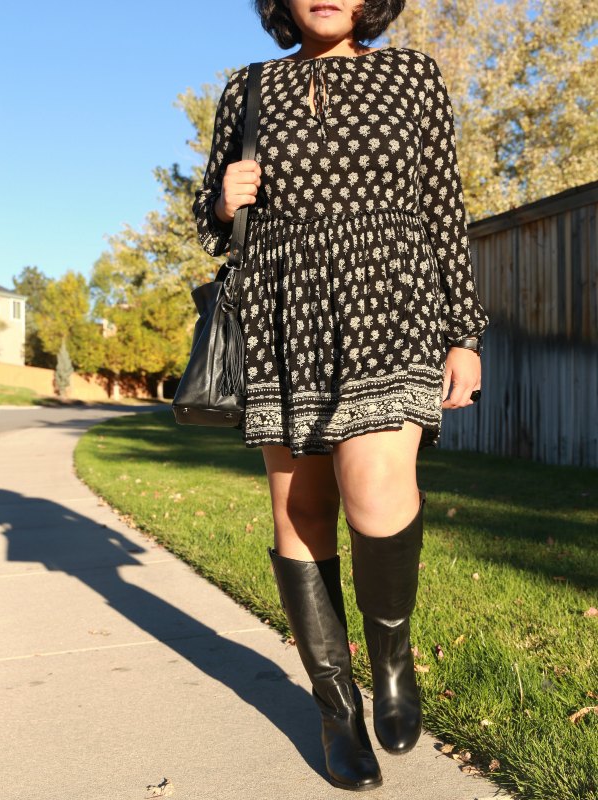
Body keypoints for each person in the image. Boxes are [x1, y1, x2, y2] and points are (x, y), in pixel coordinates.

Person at [193, 0, 489, 791]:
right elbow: (212, 221)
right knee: (302, 510)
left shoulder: (411, 74)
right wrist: (224, 201)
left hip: (387, 300)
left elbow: (441, 208)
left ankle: (392, 663)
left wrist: (464, 332)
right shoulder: (248, 88)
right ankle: (336, 708)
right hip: (283, 308)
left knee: (378, 494)